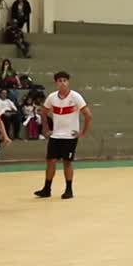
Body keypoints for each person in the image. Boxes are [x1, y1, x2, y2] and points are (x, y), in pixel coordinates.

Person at [36, 72, 92, 200]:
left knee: (67, 162)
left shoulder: (76, 97)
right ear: (56, 83)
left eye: (65, 80)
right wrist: (46, 128)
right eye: (60, 80)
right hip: (56, 136)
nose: (62, 83)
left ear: (68, 82)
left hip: (70, 136)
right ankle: (46, 188)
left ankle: (69, 189)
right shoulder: (52, 97)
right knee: (51, 161)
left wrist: (82, 133)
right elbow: (43, 112)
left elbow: (88, 115)